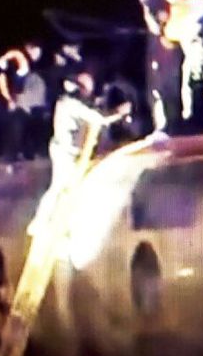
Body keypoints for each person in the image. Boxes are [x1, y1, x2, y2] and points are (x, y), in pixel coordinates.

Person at [27, 72, 130, 239]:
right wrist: (119, 112)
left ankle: (66, 225)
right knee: (59, 186)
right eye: (86, 87)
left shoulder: (79, 103)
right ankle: (39, 223)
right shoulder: (69, 104)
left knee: (75, 188)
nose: (89, 90)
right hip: (64, 152)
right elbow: (99, 119)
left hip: (74, 153)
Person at [159, 0, 203, 130]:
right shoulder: (176, 7)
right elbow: (171, 34)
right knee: (195, 81)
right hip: (193, 48)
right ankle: (199, 116)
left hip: (198, 47)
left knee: (196, 81)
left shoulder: (192, 0)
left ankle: (200, 117)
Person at [139, 0, 182, 136]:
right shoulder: (156, 10)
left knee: (166, 93)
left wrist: (146, 10)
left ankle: (170, 126)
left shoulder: (163, 9)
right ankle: (162, 126)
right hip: (156, 58)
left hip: (166, 59)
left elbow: (157, 29)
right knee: (155, 94)